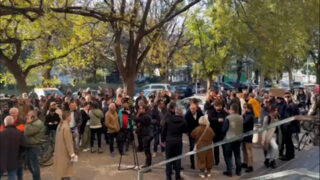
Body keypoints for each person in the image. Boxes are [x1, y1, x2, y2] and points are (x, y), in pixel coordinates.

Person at [161, 107, 187, 180]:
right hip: (178, 141)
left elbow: (164, 131)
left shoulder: (168, 120)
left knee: (168, 159)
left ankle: (168, 177)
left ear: (175, 112)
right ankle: (177, 176)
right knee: (178, 159)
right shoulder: (183, 121)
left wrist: (162, 140)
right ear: (181, 113)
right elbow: (185, 131)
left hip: (169, 141)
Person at [0, 116, 26, 180]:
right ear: (13, 123)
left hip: (2, 159)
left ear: (5, 123)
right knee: (12, 175)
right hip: (14, 159)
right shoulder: (19, 133)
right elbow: (24, 146)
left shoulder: (1, 134)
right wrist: (20, 156)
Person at [54, 111, 78, 180]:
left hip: (60, 152)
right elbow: (68, 142)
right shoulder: (66, 127)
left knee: (62, 172)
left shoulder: (60, 125)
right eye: (70, 116)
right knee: (66, 173)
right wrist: (72, 154)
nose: (71, 117)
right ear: (67, 117)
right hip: (65, 153)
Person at [222, 104, 243, 177]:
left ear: (231, 109)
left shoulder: (228, 118)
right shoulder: (241, 117)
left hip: (229, 139)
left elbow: (224, 129)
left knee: (228, 156)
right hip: (238, 139)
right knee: (237, 155)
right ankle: (238, 171)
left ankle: (229, 171)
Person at [24, 110, 46, 180]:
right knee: (28, 163)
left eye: (28, 115)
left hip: (34, 146)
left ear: (33, 116)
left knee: (34, 164)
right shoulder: (33, 123)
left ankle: (36, 178)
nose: (26, 116)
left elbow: (27, 132)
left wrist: (27, 123)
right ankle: (35, 176)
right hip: (29, 145)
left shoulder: (37, 123)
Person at [207, 100, 228, 166]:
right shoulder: (211, 112)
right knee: (216, 148)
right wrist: (217, 119)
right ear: (215, 106)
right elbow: (210, 118)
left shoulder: (223, 112)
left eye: (220, 106)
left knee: (224, 148)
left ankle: (226, 160)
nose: (219, 107)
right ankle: (217, 161)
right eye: (218, 106)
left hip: (222, 133)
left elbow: (227, 117)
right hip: (215, 133)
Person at [280, 92, 299, 161]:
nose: (286, 99)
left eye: (287, 97)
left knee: (288, 141)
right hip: (292, 126)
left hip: (290, 127)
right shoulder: (291, 105)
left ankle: (289, 155)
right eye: (285, 97)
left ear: (289, 97)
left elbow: (289, 118)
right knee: (289, 141)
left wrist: (285, 126)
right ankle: (291, 154)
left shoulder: (290, 106)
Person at [185, 103, 204, 169]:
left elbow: (203, 122)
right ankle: (192, 164)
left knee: (200, 148)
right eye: (191, 109)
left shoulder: (200, 113)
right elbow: (186, 125)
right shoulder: (187, 115)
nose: (192, 110)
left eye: (193, 109)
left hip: (199, 133)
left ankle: (200, 163)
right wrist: (188, 133)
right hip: (191, 134)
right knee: (192, 147)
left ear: (196, 108)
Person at [134, 105, 153, 170]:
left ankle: (148, 166)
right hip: (146, 135)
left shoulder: (145, 116)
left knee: (147, 151)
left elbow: (136, 119)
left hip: (147, 135)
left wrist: (138, 114)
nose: (139, 110)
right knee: (147, 151)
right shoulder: (145, 115)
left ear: (144, 109)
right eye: (139, 109)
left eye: (141, 109)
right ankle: (147, 164)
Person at [242, 104, 255, 173]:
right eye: (244, 108)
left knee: (249, 150)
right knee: (244, 149)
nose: (244, 109)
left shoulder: (250, 116)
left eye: (245, 108)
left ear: (249, 109)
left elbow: (244, 123)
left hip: (248, 135)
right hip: (244, 135)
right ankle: (245, 162)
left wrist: (242, 116)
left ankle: (250, 165)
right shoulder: (246, 115)